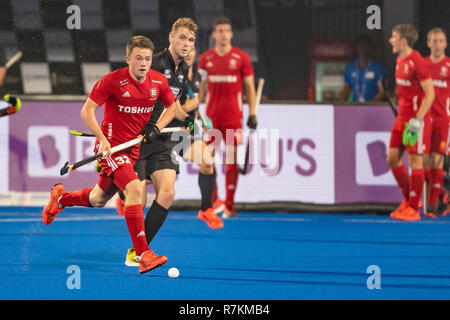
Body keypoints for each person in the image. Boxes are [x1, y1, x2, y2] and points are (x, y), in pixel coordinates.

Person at [41, 35, 189, 274]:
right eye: (138, 58)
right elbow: (87, 111)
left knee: (98, 199)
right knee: (134, 189)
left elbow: (172, 107)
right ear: (127, 59)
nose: (143, 63)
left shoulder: (158, 82)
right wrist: (101, 138)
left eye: (148, 59)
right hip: (110, 147)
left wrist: (155, 128)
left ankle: (60, 199)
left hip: (131, 149)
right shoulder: (111, 81)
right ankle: (143, 254)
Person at [115, 19, 223, 268]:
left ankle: (139, 252)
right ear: (171, 37)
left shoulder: (182, 70)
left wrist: (189, 121)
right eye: (182, 38)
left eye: (191, 40)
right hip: (137, 139)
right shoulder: (155, 64)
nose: (186, 44)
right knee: (137, 198)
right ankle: (118, 185)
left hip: (163, 137)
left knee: (167, 192)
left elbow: (172, 106)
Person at [197, 16, 257, 218]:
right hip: (211, 118)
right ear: (214, 34)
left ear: (231, 34)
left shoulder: (241, 58)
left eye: (226, 30)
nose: (223, 34)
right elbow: (202, 90)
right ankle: (216, 202)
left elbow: (250, 87)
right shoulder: (205, 59)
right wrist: (196, 110)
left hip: (233, 118)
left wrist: (253, 113)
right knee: (208, 160)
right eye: (219, 31)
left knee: (231, 162)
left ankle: (230, 206)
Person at [387, 24, 435, 221]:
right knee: (392, 158)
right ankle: (409, 199)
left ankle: (414, 209)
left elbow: (430, 93)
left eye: (394, 37)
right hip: (401, 118)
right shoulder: (399, 59)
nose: (391, 40)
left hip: (414, 121)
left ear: (403, 41)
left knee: (415, 161)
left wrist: (418, 119)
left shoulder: (417, 62)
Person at [423, 28, 450, 217]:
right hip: (424, 119)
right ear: (428, 43)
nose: (438, 45)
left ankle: (432, 206)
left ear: (446, 44)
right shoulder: (422, 65)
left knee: (438, 161)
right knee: (424, 164)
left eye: (441, 41)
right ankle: (441, 193)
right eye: (435, 41)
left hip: (443, 120)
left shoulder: (449, 66)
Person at [341, 34, 386, 102]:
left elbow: (382, 92)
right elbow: (346, 89)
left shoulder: (378, 68)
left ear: (370, 48)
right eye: (360, 46)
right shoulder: (350, 67)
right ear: (356, 48)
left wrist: (369, 106)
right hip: (355, 107)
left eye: (365, 46)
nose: (363, 49)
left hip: (373, 108)